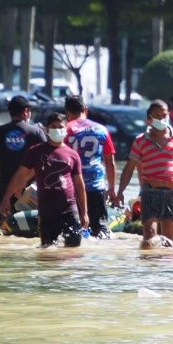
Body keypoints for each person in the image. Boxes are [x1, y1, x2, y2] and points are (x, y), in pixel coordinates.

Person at [0, 111, 88, 248]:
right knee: (47, 251)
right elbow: (21, 175)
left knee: (73, 250)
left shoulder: (73, 155)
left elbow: (79, 184)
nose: (57, 130)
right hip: (47, 212)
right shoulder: (36, 151)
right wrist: (6, 198)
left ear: (66, 130)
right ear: (47, 129)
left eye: (60, 127)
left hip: (69, 209)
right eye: (53, 127)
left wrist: (84, 213)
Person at [117, 100, 173, 249]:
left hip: (172, 193)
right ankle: (149, 269)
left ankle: (165, 271)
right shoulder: (140, 141)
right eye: (157, 116)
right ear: (149, 119)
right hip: (150, 192)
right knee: (149, 239)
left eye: (164, 115)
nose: (162, 119)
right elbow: (129, 168)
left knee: (168, 242)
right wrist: (120, 191)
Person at [64, 95, 117, 238]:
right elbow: (110, 162)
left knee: (72, 234)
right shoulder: (101, 130)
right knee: (101, 233)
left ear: (67, 113)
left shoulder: (65, 130)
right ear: (85, 109)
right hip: (96, 188)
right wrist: (111, 189)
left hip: (72, 188)